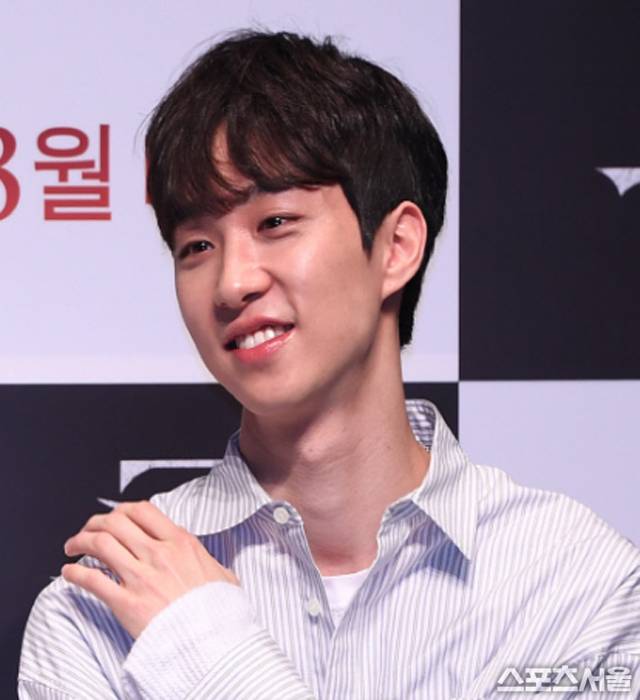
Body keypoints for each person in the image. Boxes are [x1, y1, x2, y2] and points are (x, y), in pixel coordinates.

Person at [18, 29, 640, 699]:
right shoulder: (101, 603)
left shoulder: (573, 583)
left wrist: (208, 649)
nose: (231, 283)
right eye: (196, 245)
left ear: (396, 247)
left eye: (275, 223)